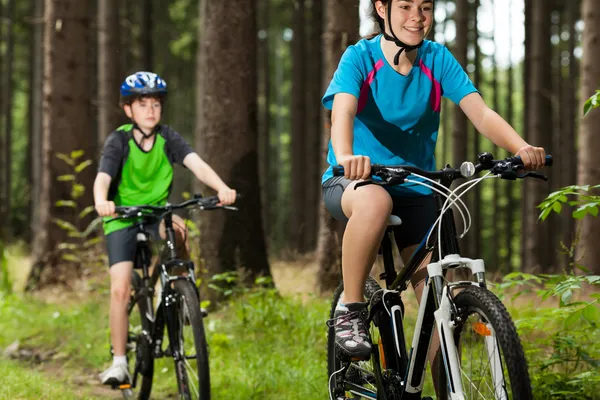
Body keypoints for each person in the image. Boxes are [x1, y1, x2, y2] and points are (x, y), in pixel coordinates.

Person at [322, 0, 546, 390]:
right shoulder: (359, 57)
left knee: (442, 305)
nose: (417, 16)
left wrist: (521, 148)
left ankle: (434, 384)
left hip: (417, 187)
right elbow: (342, 112)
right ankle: (351, 307)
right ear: (381, 7)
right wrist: (346, 157)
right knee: (376, 201)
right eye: (405, 5)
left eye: (425, 6)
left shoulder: (437, 59)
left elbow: (481, 113)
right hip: (355, 182)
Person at [94, 71, 237, 386]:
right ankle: (119, 363)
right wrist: (101, 200)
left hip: (157, 212)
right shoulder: (118, 140)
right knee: (120, 288)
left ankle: (180, 287)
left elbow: (195, 163)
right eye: (142, 104)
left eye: (156, 104)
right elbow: (103, 176)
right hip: (122, 215)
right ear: (128, 109)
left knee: (180, 229)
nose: (150, 110)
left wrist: (222, 188)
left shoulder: (167, 138)